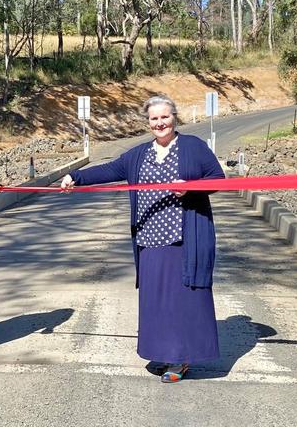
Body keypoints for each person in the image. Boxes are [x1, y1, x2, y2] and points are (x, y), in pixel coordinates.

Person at [61, 95, 224, 383]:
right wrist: (75, 176)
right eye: (154, 118)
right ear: (147, 122)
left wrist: (191, 189)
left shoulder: (193, 148)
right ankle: (164, 352)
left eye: (165, 117)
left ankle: (181, 359)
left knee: (182, 299)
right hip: (149, 240)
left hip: (183, 239)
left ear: (174, 118)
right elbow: (108, 170)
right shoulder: (138, 155)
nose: (160, 123)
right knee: (157, 301)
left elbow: (217, 179)